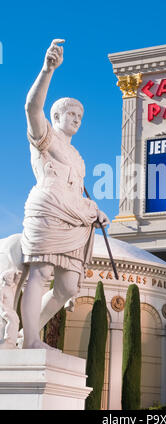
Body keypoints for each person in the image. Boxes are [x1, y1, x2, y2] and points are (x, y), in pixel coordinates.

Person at [20, 39, 109, 350]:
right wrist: (47, 70)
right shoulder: (45, 137)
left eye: (79, 117)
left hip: (73, 220)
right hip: (48, 210)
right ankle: (31, 339)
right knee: (40, 271)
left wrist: (94, 210)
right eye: (70, 114)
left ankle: (25, 334)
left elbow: (77, 194)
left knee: (68, 287)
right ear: (56, 117)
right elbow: (32, 107)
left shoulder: (79, 158)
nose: (76, 119)